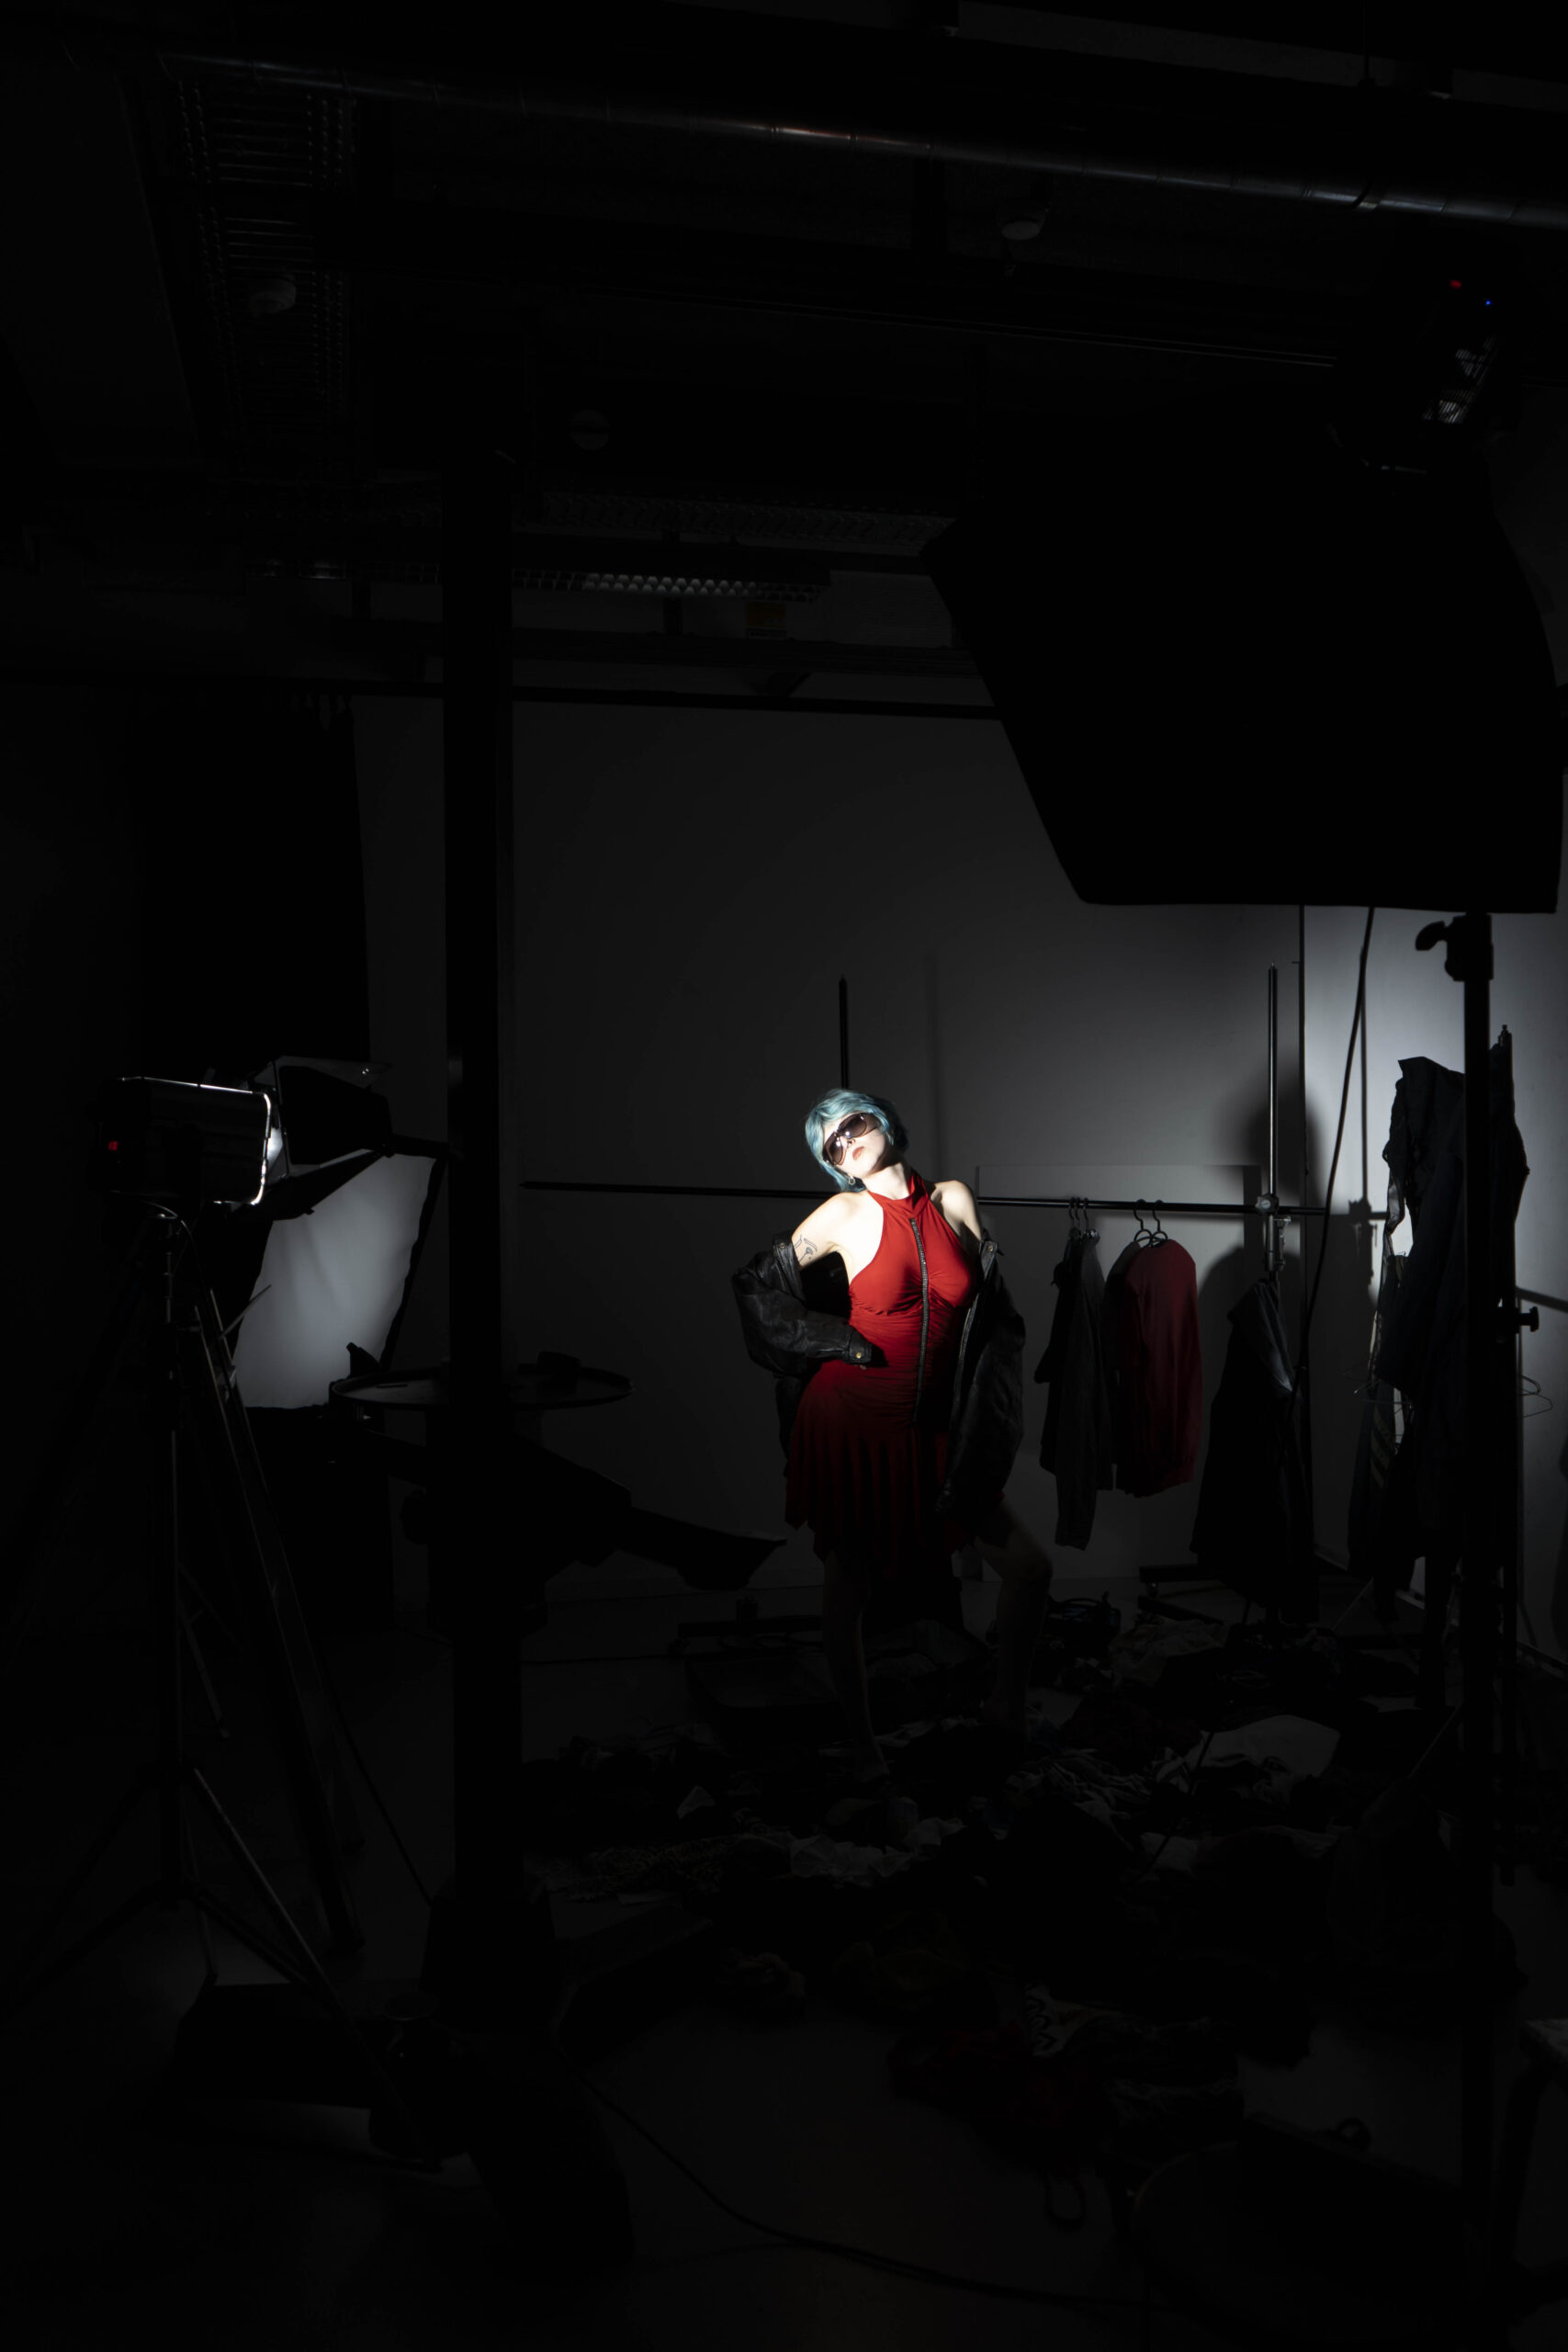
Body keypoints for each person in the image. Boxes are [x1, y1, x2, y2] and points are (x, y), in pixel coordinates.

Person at [732, 1088, 1054, 1790]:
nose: (845, 1140)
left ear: (882, 1120)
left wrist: (993, 1407)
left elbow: (991, 1312)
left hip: (936, 1431)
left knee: (1029, 1568)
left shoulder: (952, 1199)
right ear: (835, 1166)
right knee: (850, 1585)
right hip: (853, 1425)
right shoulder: (842, 1214)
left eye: (852, 1123)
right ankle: (863, 1746)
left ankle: (1004, 1707)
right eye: (831, 1144)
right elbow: (756, 1287)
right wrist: (837, 1339)